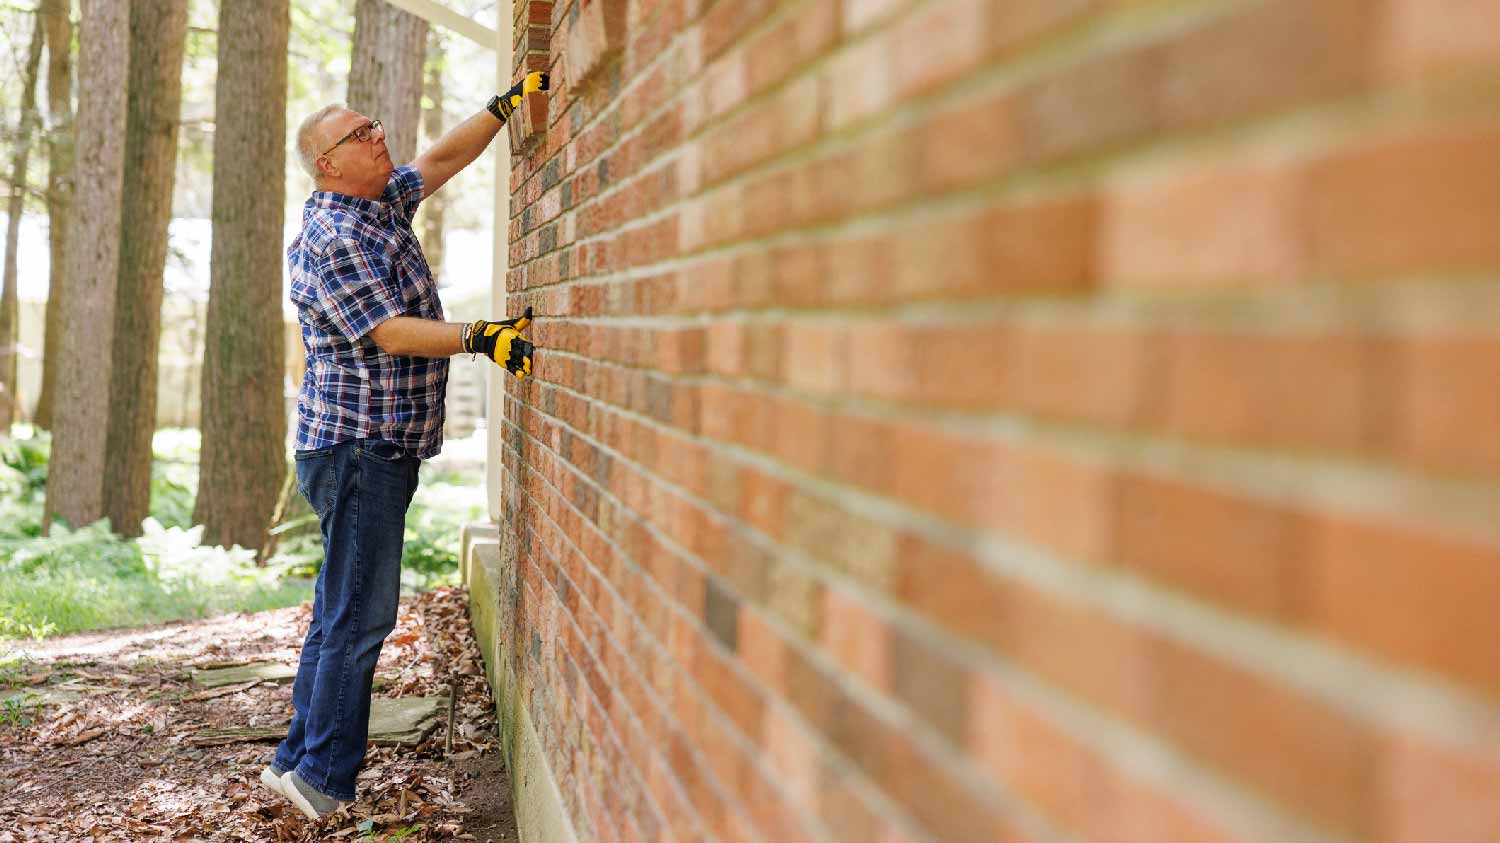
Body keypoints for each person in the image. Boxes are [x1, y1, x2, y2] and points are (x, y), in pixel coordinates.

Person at [259, 71, 549, 822]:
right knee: (360, 616)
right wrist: (481, 336)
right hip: (359, 447)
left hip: (367, 445)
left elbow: (442, 161)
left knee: (338, 609)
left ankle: (295, 757)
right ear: (328, 162)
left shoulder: (376, 200)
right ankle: (322, 776)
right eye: (360, 134)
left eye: (373, 125)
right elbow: (388, 331)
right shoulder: (334, 237)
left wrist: (504, 106)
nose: (378, 135)